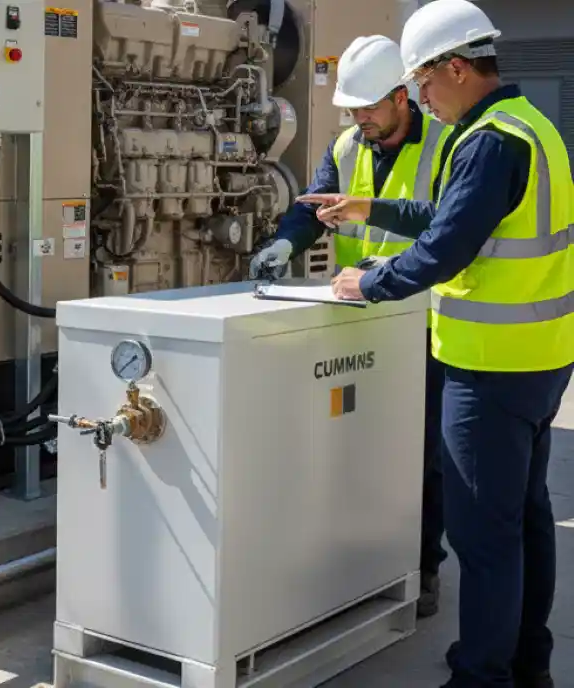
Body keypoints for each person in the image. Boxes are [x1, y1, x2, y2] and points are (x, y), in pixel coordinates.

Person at [302, 1, 573, 686]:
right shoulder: (526, 125)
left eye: (423, 80)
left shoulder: (488, 140)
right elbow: (450, 212)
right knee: (525, 522)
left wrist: (371, 283)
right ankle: (527, 663)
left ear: (456, 67)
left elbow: (447, 246)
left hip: (488, 369)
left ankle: (481, 674)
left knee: (483, 539)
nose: (420, 95)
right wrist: (372, 208)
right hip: (539, 362)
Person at [249, 34, 452, 619]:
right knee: (353, 445)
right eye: (353, 109)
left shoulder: (446, 144)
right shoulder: (345, 144)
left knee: (422, 455)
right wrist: (286, 240)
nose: (361, 118)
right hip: (356, 318)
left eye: (369, 107)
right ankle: (353, 560)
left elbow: (446, 224)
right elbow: (313, 206)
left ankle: (424, 565)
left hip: (424, 321)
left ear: (401, 97)